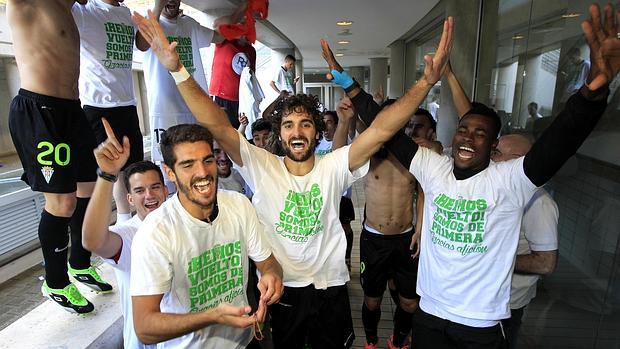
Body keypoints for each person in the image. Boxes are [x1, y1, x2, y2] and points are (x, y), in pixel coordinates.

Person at [132, 11, 454, 348]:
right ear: (279, 133)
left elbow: (383, 130)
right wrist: (178, 69)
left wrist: (424, 83)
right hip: (282, 290)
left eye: (305, 124)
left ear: (316, 132)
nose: (296, 131)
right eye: (288, 125)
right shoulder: (262, 165)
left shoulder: (334, 165)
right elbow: (216, 125)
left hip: (331, 288)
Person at [329, 4, 616, 347]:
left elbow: (559, 143)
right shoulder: (435, 168)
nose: (467, 137)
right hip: (430, 315)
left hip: (479, 325)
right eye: (464, 129)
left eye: (480, 134)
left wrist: (593, 92)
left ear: (493, 144)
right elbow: (385, 130)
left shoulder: (509, 180)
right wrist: (347, 82)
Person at [130, 124, 283, 348]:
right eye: (188, 164)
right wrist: (211, 317)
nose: (202, 172)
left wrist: (271, 277)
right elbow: (144, 327)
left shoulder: (239, 205)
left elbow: (269, 264)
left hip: (245, 342)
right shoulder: (156, 232)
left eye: (207, 160)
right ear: (170, 172)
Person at [6, 0, 111, 314]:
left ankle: (79, 264)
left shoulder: (69, 7)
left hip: (72, 111)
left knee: (88, 192)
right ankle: (55, 281)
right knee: (62, 202)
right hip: (40, 111)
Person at [82, 118, 167, 348]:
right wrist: (107, 175)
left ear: (165, 190)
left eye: (155, 186)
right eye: (139, 190)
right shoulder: (129, 235)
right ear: (130, 199)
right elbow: (93, 240)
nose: (149, 195)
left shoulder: (179, 226)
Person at [72, 0, 149, 223]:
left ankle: (135, 221)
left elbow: (142, 45)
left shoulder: (126, 13)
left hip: (127, 103)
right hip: (98, 106)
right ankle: (118, 223)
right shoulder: (85, 11)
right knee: (108, 172)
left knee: (132, 168)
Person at [492, 134, 558, 349]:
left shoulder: (539, 203)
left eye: (496, 154)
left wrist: (490, 260)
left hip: (507, 303)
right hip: (485, 298)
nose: (490, 159)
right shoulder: (500, 191)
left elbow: (544, 263)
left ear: (517, 161)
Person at [145, 0, 224, 171]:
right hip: (166, 110)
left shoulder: (189, 24)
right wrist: (157, 8)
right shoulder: (150, 21)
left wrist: (238, 17)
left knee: (200, 158)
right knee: (169, 165)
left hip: (194, 106)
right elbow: (141, 44)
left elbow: (219, 36)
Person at [313, 109, 356, 271]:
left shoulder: (344, 139)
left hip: (342, 196)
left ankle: (346, 258)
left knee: (345, 228)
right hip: (323, 195)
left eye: (329, 121)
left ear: (337, 124)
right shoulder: (317, 144)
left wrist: (350, 114)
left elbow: (351, 129)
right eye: (323, 121)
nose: (325, 125)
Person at [209, 36, 257, 129]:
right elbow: (217, 28)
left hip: (241, 99)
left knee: (240, 130)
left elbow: (251, 75)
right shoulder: (224, 42)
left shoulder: (251, 51)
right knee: (221, 129)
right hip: (221, 96)